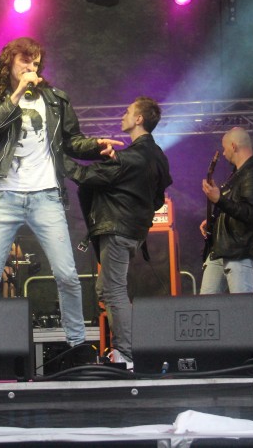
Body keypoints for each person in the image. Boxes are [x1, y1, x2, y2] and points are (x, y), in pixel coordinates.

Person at [0, 37, 122, 349]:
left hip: (46, 197)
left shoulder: (55, 99)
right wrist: (16, 94)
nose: (31, 68)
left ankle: (77, 346)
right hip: (4, 196)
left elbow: (72, 141)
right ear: (10, 61)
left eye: (36, 63)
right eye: (25, 61)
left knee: (67, 275)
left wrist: (95, 147)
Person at [67, 97, 172, 368]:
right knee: (106, 288)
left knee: (113, 291)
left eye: (127, 112)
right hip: (133, 232)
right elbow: (157, 199)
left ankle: (125, 354)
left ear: (139, 119)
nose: (122, 115)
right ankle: (126, 349)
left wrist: (54, 159)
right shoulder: (157, 156)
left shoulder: (130, 157)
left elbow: (85, 175)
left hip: (117, 230)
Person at [199, 127, 253, 295]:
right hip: (221, 249)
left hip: (239, 252)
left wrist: (219, 199)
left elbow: (249, 213)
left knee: (242, 306)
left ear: (233, 146)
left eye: (225, 148)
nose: (223, 153)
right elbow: (234, 208)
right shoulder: (237, 174)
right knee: (205, 305)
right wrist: (215, 220)